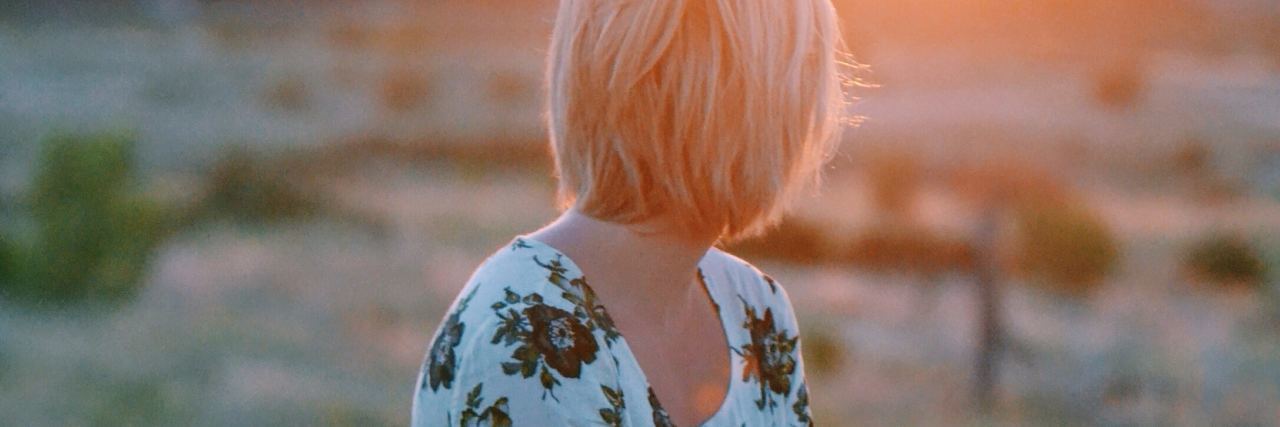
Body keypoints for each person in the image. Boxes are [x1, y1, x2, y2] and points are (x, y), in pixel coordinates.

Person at [413, 0, 852, 424]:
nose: (818, 109)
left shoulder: (757, 312)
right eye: (807, 62)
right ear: (740, 97)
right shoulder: (526, 332)